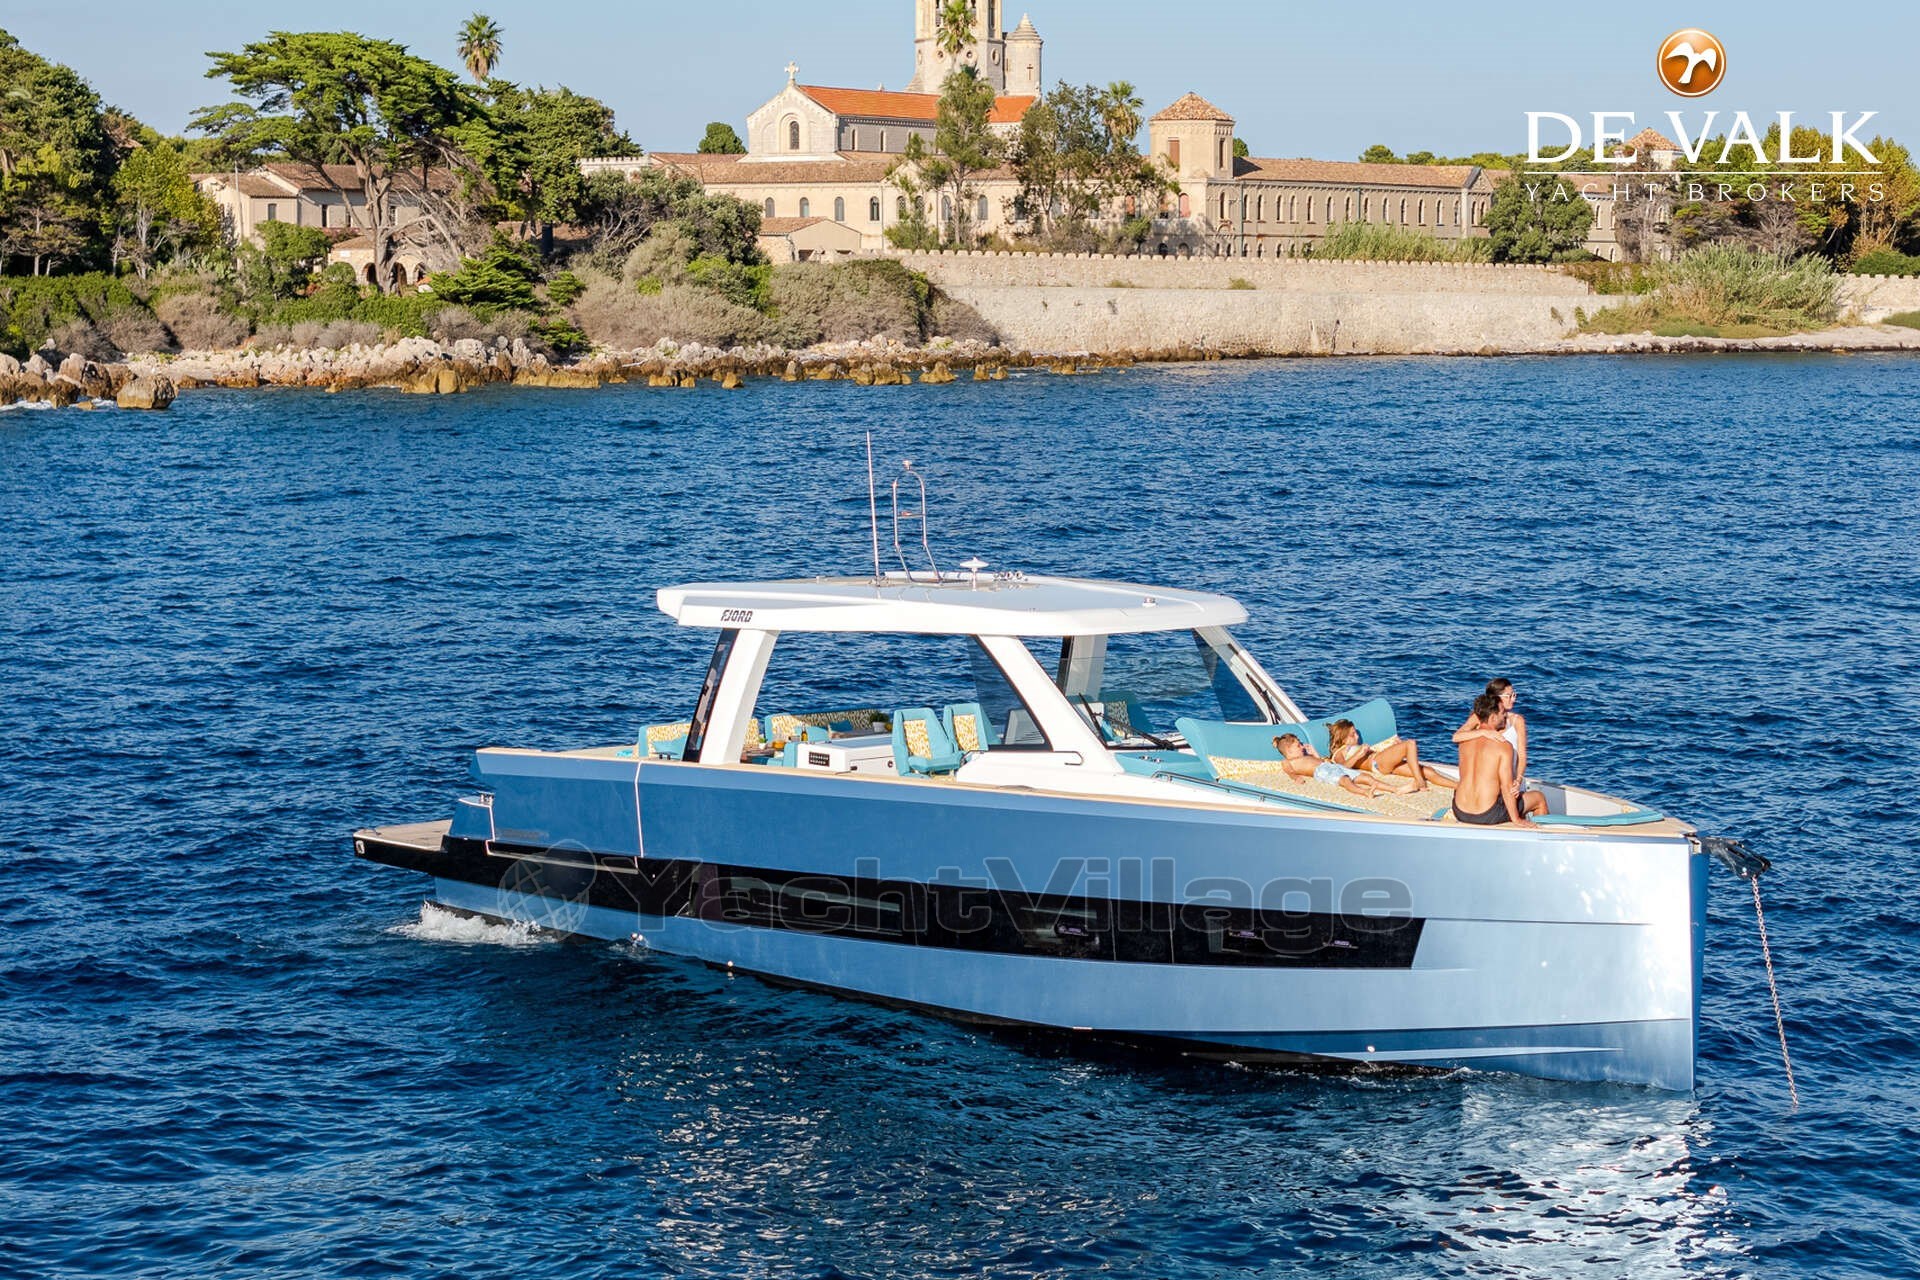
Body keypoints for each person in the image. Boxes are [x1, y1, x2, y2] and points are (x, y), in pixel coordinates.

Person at [1451, 693, 1546, 825]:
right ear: (1493, 717)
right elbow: (1506, 787)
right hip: (1487, 814)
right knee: (1538, 798)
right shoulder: (1504, 746)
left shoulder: (1464, 742)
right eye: (1502, 713)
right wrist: (1516, 819)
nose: (1505, 716)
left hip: (1460, 811)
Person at [1326, 719, 1453, 793]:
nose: (1357, 736)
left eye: (1356, 733)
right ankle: (1420, 782)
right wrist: (1359, 755)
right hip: (1377, 763)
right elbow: (1341, 767)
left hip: (1383, 762)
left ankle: (1459, 786)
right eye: (1352, 735)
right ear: (1343, 739)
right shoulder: (1340, 751)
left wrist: (1392, 747)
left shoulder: (1356, 747)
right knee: (1410, 744)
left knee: (1428, 771)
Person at [1272, 733, 1406, 798]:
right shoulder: (1288, 762)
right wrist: (1296, 778)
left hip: (1331, 766)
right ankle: (1365, 792)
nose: (1302, 747)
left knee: (1365, 777)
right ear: (1289, 750)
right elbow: (1289, 771)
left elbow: (1319, 760)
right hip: (1321, 771)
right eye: (1298, 745)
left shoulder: (1306, 756)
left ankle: (1394, 789)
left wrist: (1314, 753)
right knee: (1345, 780)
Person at [1454, 677, 1526, 782]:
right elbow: (1456, 737)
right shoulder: (1479, 717)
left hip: (1511, 781)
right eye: (1508, 696)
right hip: (1487, 781)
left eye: (1514, 695)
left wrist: (1518, 780)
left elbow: (1522, 756)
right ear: (1495, 698)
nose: (1513, 699)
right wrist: (1484, 732)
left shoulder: (1517, 720)